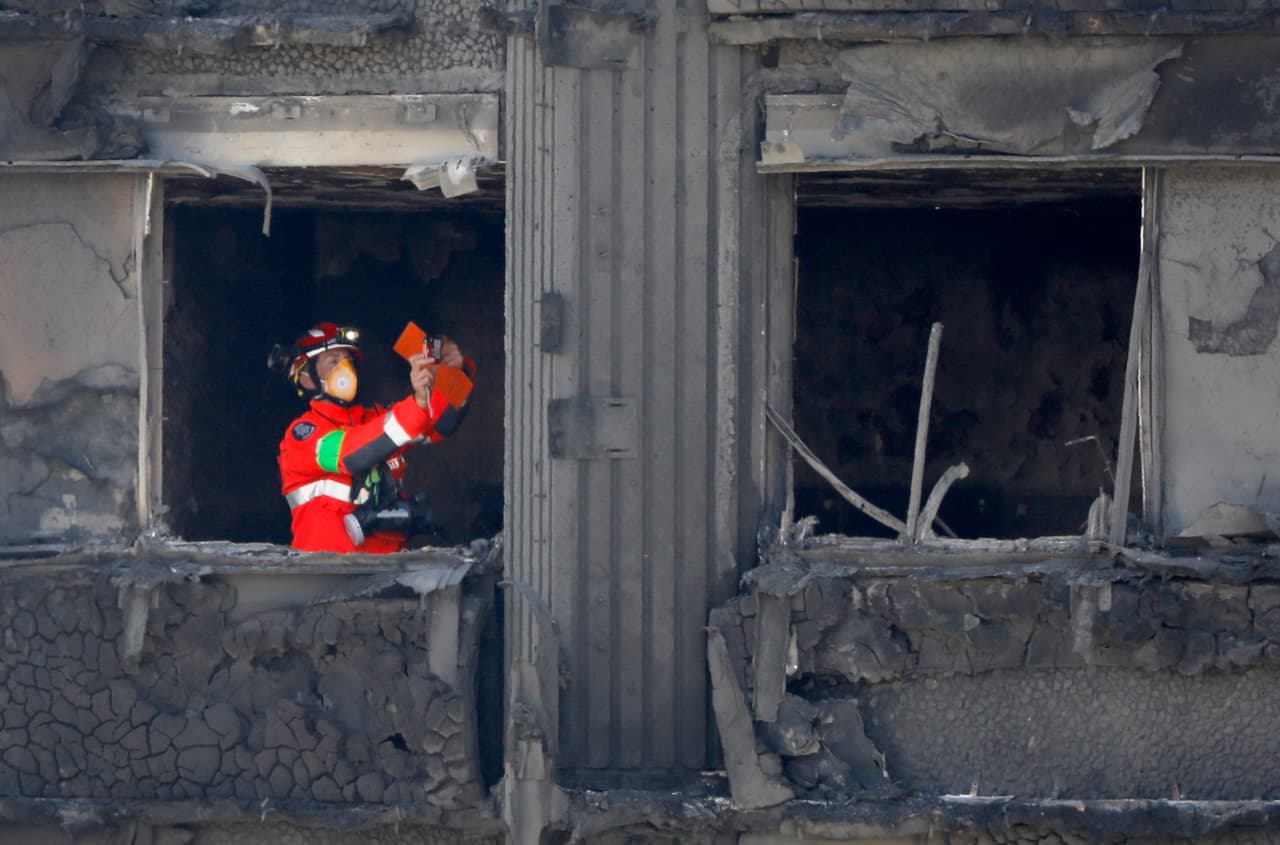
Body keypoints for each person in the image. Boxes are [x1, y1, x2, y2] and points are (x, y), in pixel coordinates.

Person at [270, 322, 473, 553]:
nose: (345, 367)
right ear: (306, 378)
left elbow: (442, 423)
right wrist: (416, 405)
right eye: (333, 362)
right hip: (328, 570)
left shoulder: (377, 419)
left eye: (348, 360)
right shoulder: (303, 435)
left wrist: (453, 370)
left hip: (389, 568)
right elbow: (350, 455)